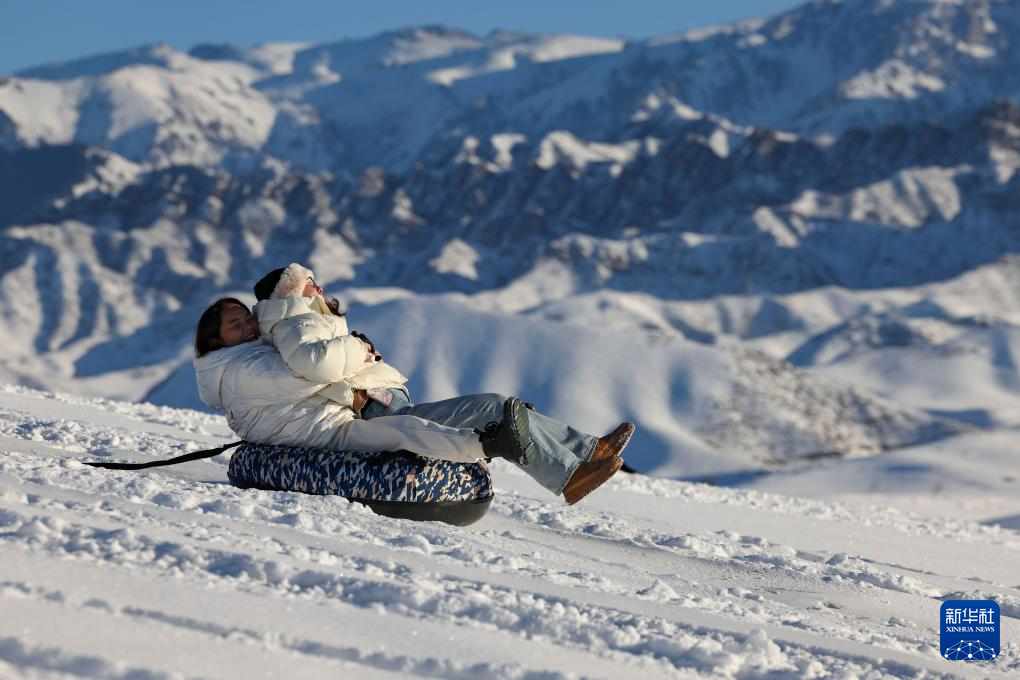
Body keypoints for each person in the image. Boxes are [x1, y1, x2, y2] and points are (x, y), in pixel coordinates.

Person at [195, 288, 634, 504]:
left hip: (360, 411)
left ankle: (589, 450)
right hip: (359, 421)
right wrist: (357, 352)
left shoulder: (259, 353)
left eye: (245, 318)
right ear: (216, 342)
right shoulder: (242, 369)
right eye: (235, 326)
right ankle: (568, 475)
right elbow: (309, 372)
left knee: (501, 406)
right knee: (494, 408)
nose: (248, 326)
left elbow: (310, 370)